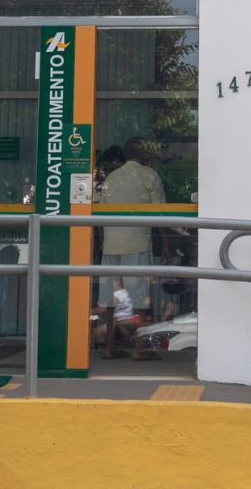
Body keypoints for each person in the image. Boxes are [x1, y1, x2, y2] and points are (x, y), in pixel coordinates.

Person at [96, 137, 166, 360]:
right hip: (137, 243)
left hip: (111, 245)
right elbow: (162, 213)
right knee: (140, 299)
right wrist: (167, 244)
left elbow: (100, 214)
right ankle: (140, 348)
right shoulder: (149, 176)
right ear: (145, 154)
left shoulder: (112, 178)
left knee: (110, 298)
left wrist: (102, 243)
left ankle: (109, 348)